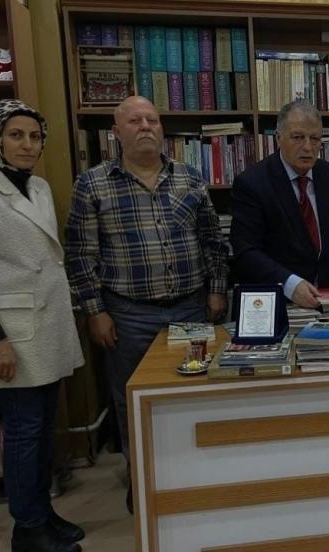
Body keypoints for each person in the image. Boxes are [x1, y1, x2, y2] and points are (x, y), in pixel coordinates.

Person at [64, 95, 229, 513]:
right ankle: (141, 480)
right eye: (134, 120)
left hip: (190, 308)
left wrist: (216, 290)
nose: (145, 127)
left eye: (152, 120)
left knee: (192, 392)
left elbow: (212, 240)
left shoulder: (189, 177)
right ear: (116, 133)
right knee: (133, 400)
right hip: (128, 314)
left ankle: (190, 476)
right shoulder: (93, 184)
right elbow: (80, 255)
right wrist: (95, 311)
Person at [0, 99, 85, 552]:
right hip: (11, 332)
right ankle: (27, 530)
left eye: (34, 136)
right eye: (16, 135)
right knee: (24, 432)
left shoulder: (39, 187)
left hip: (46, 324)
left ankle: (42, 514)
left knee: (43, 428)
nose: (27, 145)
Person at [229, 100, 329, 307]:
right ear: (279, 138)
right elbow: (245, 251)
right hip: (275, 302)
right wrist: (290, 284)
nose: (308, 147)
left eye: (315, 138)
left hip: (327, 298)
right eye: (298, 137)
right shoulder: (252, 183)